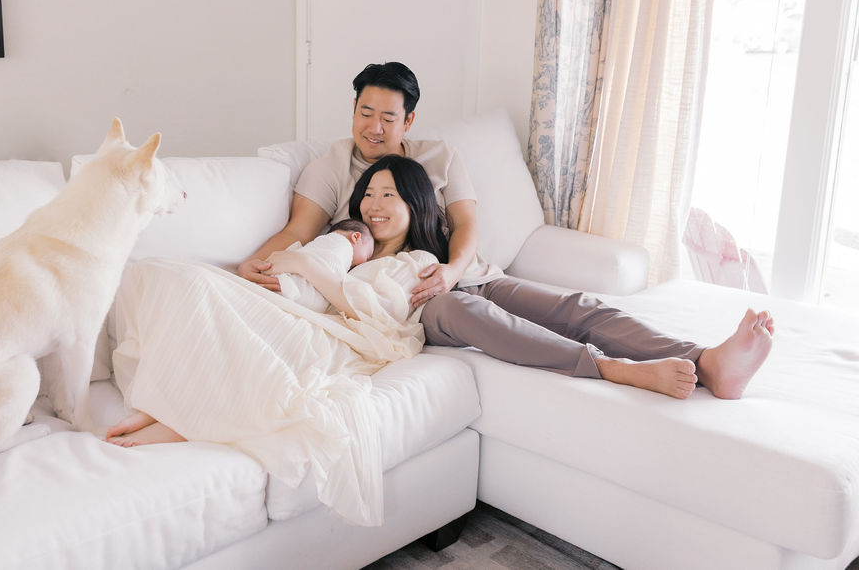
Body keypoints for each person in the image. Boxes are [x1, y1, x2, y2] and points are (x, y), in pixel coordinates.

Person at [238, 62, 775, 400]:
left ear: (410, 120)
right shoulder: (334, 164)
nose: (373, 127)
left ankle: (705, 360)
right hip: (412, 301)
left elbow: (468, 224)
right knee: (463, 310)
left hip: (464, 274)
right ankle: (611, 370)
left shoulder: (437, 156)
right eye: (363, 112)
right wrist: (247, 267)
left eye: (387, 116)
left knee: (578, 308)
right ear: (352, 111)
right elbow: (298, 230)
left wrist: (451, 269)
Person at [103, 174, 446, 523]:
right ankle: (169, 396)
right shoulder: (341, 247)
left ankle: (179, 418)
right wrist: (262, 270)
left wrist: (305, 266)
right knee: (163, 273)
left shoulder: (417, 261)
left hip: (335, 338)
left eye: (388, 193)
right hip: (295, 312)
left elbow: (381, 315)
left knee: (198, 288)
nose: (373, 204)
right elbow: (296, 270)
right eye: (368, 194)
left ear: (414, 203)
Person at [273, 218, 374, 313]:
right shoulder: (342, 245)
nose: (365, 262)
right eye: (368, 255)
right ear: (356, 237)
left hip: (283, 278)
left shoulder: (322, 242)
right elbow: (334, 278)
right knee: (317, 304)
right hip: (291, 287)